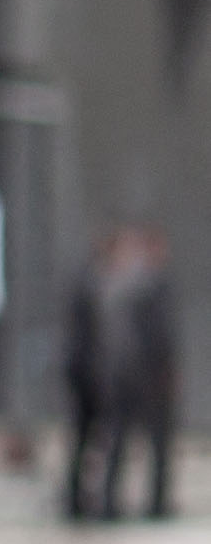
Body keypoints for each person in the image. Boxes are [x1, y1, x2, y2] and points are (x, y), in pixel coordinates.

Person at [68, 223, 179, 523]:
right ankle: (105, 502)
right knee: (118, 441)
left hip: (117, 377)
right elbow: (146, 340)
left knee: (118, 442)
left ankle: (108, 502)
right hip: (127, 378)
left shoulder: (117, 287)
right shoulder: (129, 288)